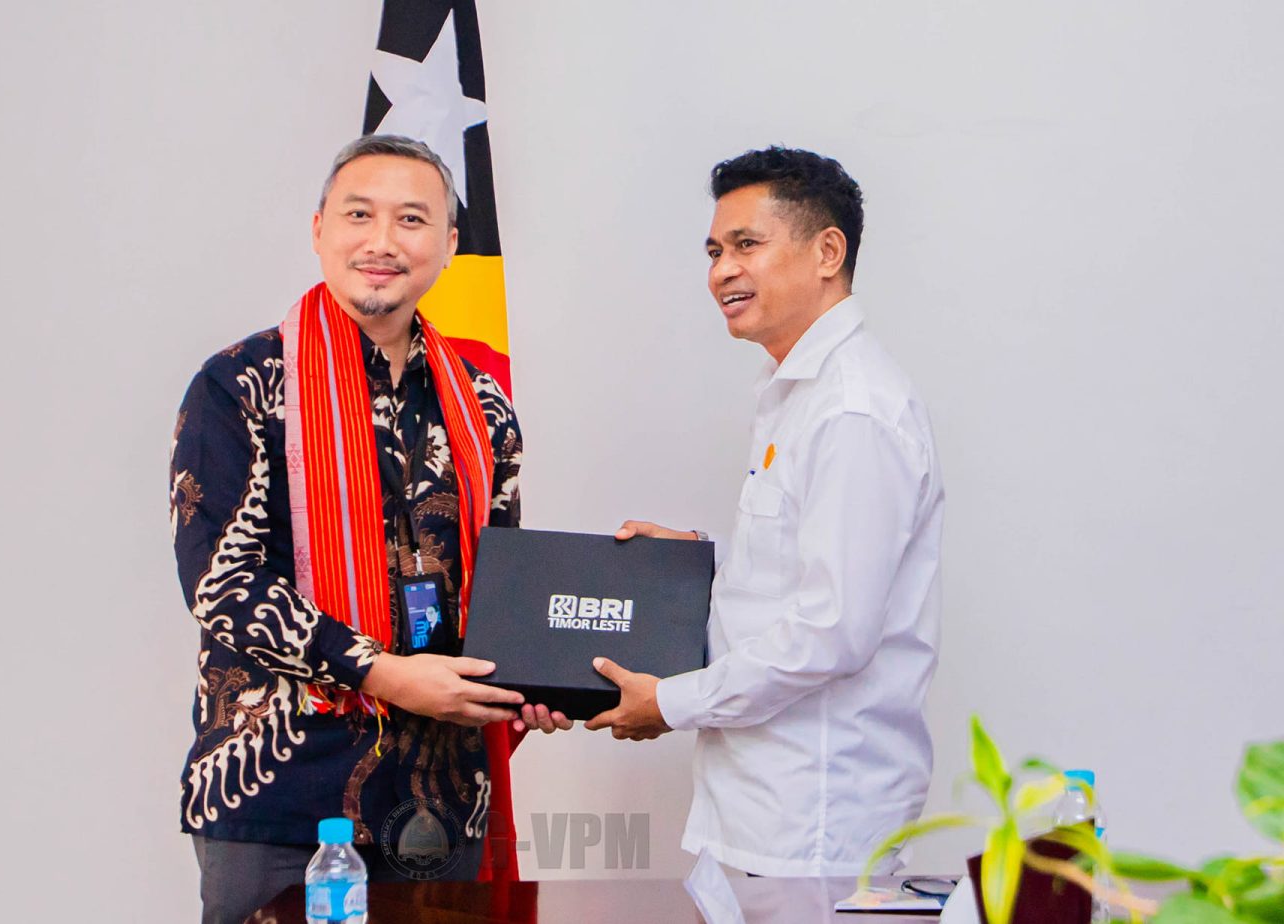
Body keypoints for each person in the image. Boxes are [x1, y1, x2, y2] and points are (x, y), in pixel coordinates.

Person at [169, 135, 541, 922]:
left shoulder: (483, 403)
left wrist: (538, 682)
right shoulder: (242, 385)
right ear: (319, 230)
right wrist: (381, 673)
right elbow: (223, 584)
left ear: (449, 244)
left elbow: (502, 586)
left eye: (412, 219)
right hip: (279, 789)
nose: (382, 241)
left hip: (438, 797)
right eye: (359, 215)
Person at [588, 145, 945, 877]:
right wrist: (695, 557)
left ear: (827, 253)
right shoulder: (796, 391)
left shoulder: (851, 410)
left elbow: (832, 630)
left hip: (812, 819)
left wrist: (672, 702)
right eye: (715, 251)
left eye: (746, 244)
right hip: (758, 806)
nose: (722, 270)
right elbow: (801, 566)